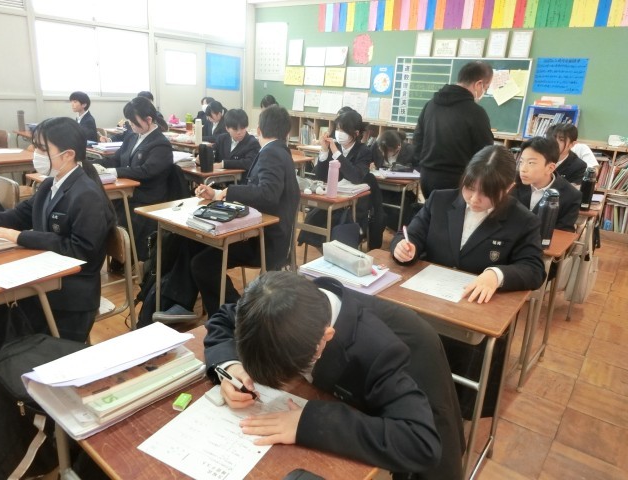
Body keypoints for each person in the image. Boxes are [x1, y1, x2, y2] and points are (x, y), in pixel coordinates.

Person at [204, 271, 468, 480]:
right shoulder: (269, 306)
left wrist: (309, 423)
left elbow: (420, 442)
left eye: (295, 372)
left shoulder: (379, 351)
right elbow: (222, 320)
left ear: (326, 337)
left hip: (414, 379)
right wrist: (230, 367)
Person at [391, 145, 545, 418]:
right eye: (469, 188)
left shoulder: (523, 220)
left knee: (457, 396)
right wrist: (403, 249)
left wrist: (496, 274)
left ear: (508, 188)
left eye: (486, 193)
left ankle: (456, 414)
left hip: (474, 315)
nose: (474, 199)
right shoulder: (440, 199)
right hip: (429, 302)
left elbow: (534, 269)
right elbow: (409, 236)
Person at [158, 105, 300, 319]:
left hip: (264, 239)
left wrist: (227, 192)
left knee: (203, 263)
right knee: (191, 243)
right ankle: (182, 302)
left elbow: (267, 194)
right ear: (287, 132)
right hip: (259, 230)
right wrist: (218, 194)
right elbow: (258, 191)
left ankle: (234, 315)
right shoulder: (279, 151)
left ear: (258, 130)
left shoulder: (272, 153)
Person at [0, 117, 115, 342]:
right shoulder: (50, 184)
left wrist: (22, 237)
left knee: (2, 320)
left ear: (68, 155)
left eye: (42, 149)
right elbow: (16, 216)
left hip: (71, 294)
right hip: (46, 278)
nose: (35, 153)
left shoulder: (86, 195)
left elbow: (81, 251)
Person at [98, 96, 173, 260]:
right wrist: (95, 165)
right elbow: (116, 159)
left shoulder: (161, 144)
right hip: (127, 192)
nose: (130, 125)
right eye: (129, 121)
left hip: (146, 196)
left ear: (148, 120)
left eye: (133, 122)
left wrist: (116, 172)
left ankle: (129, 259)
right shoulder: (132, 137)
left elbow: (146, 171)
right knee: (102, 211)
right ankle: (119, 258)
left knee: (123, 218)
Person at [412, 61, 494, 198]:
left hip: (427, 177)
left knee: (432, 211)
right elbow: (485, 153)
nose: (483, 92)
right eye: (486, 88)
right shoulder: (476, 112)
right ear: (479, 84)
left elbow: (417, 141)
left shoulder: (431, 105)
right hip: (458, 181)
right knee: (453, 213)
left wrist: (425, 166)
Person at [297, 110, 373, 248]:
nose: (339, 133)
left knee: (334, 224)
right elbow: (320, 177)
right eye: (337, 129)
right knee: (313, 219)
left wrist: (336, 154)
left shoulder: (364, 151)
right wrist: (324, 151)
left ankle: (333, 253)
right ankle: (326, 252)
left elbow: (355, 177)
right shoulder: (334, 147)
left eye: (343, 130)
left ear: (356, 133)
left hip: (352, 206)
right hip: (332, 200)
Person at [511, 136, 582, 232]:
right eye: (521, 162)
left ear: (550, 168)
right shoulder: (511, 184)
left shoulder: (571, 196)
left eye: (531, 163)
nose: (523, 169)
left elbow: (563, 233)